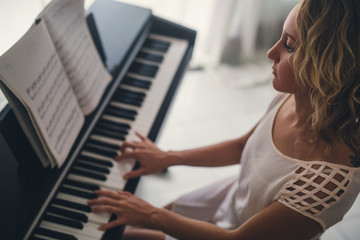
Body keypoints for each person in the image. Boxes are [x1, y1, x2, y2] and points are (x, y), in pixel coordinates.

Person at [88, 0, 360, 239]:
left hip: (235, 232)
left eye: (289, 45)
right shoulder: (294, 97)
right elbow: (243, 147)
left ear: (329, 66)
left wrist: (151, 215)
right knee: (121, 229)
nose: (271, 52)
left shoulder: (330, 182)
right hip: (231, 199)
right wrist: (168, 157)